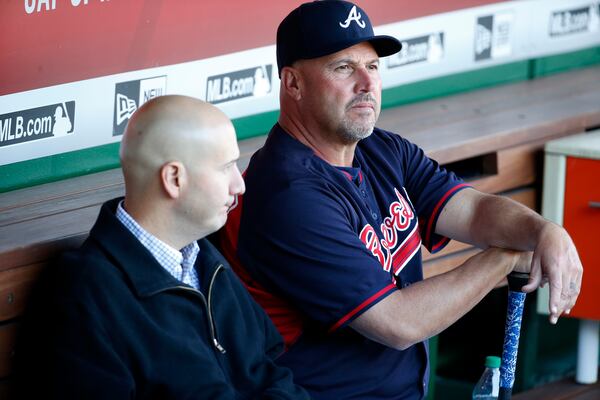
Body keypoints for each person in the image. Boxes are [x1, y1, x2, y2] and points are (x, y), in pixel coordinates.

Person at [219, 1, 583, 399]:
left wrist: (545, 231)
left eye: (373, 67)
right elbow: (398, 323)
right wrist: (505, 258)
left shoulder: (380, 149)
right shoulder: (285, 194)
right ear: (293, 84)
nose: (366, 83)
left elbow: (474, 210)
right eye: (343, 67)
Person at [13, 95, 310, 399]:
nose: (239, 185)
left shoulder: (206, 262)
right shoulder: (84, 294)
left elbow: (273, 368)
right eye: (226, 167)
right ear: (173, 178)